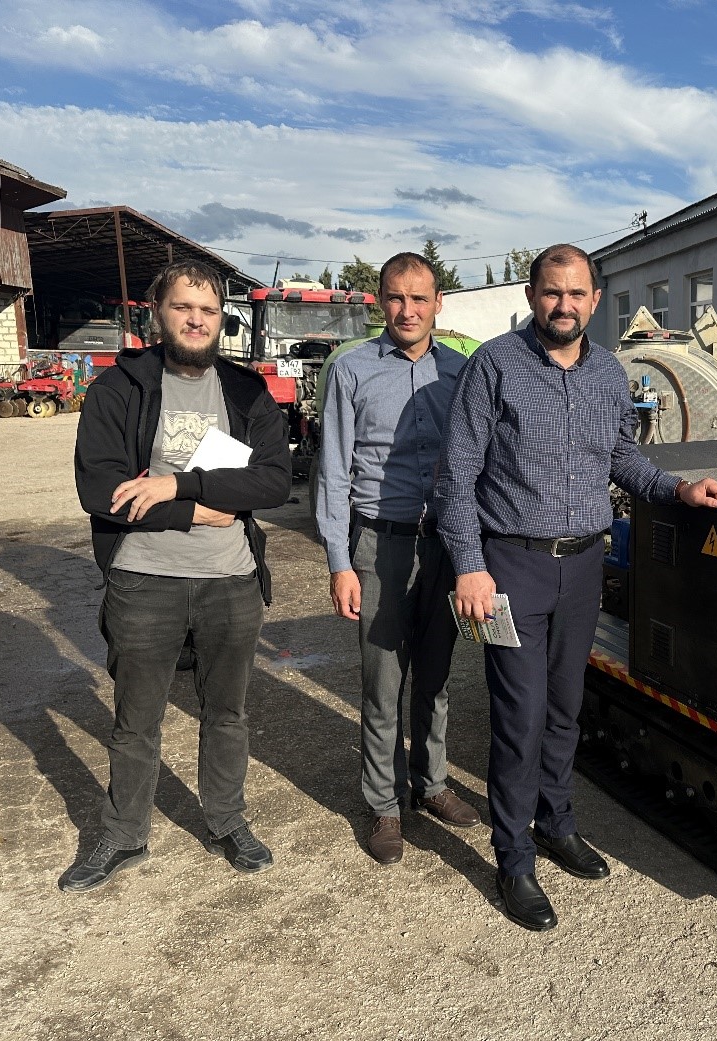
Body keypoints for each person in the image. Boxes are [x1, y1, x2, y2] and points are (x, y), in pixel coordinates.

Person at [434, 244, 717, 931]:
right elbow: (457, 473)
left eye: (576, 293)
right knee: (520, 716)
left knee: (567, 707)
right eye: (551, 292)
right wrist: (469, 565)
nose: (563, 305)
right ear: (532, 296)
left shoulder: (607, 373)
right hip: (511, 566)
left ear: (596, 300)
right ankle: (513, 858)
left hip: (583, 565)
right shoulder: (495, 366)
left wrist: (677, 488)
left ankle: (556, 823)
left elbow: (621, 456)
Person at [65, 260, 291, 893]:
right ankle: (123, 834)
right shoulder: (119, 388)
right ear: (157, 315)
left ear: (222, 319)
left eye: (209, 310)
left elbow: (274, 481)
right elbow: (100, 491)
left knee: (228, 714)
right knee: (136, 721)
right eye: (183, 308)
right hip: (144, 580)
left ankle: (226, 821)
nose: (197, 320)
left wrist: (174, 485)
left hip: (231, 579)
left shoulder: (246, 392)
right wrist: (196, 510)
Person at [316, 253, 479, 866]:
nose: (407, 311)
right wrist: (339, 562)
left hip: (444, 543)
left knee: (436, 676)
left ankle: (430, 784)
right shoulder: (352, 370)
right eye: (395, 297)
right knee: (383, 684)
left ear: (438, 303)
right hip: (379, 545)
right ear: (378, 301)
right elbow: (333, 471)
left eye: (419, 298)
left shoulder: (460, 372)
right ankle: (384, 804)